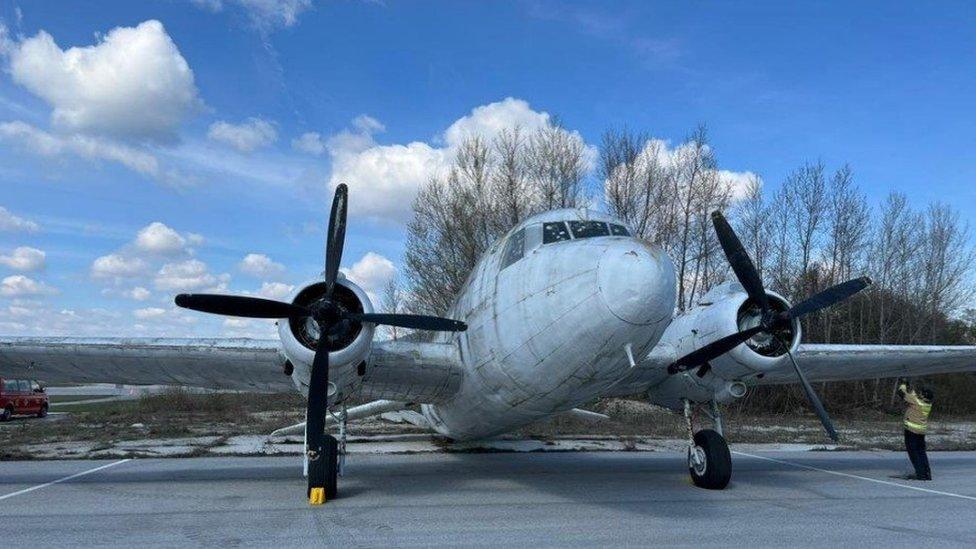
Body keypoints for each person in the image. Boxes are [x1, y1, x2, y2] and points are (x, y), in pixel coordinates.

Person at [894, 378, 934, 481]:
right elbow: (913, 396)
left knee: (913, 453)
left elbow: (901, 393)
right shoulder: (926, 404)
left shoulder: (917, 402)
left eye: (922, 393)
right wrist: (909, 388)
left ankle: (920, 474)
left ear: (924, 395)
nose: (920, 394)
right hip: (921, 432)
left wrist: (903, 384)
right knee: (921, 452)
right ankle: (926, 473)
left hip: (911, 431)